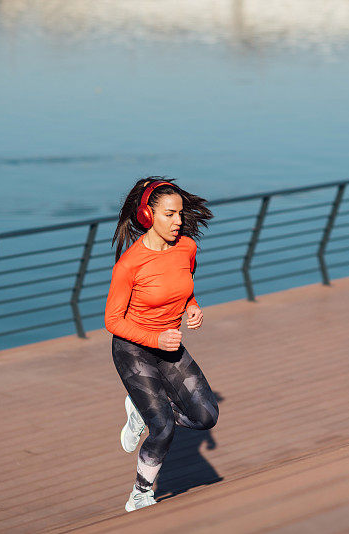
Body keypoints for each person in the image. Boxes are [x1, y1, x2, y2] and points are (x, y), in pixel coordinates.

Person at [104, 177, 219, 512]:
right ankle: (141, 493)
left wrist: (192, 308)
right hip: (133, 349)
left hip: (169, 347)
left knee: (206, 416)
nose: (179, 221)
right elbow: (112, 321)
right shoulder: (129, 265)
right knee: (163, 427)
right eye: (170, 214)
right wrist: (155, 337)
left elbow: (183, 289)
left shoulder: (187, 248)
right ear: (148, 214)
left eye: (180, 214)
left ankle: (141, 408)